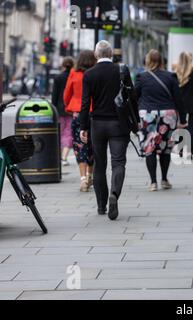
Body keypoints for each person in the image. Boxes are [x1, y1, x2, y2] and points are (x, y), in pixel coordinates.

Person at [79, 40, 137, 220]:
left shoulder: (89, 74)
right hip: (118, 124)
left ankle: (101, 206)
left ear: (96, 55)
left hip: (97, 124)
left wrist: (83, 127)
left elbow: (85, 103)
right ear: (111, 54)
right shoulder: (121, 71)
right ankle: (114, 194)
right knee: (118, 162)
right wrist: (137, 121)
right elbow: (132, 97)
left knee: (99, 165)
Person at [135, 49, 187, 192]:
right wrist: (183, 119)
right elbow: (178, 99)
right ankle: (164, 179)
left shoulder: (141, 77)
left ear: (148, 61)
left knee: (149, 147)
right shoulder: (171, 76)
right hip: (167, 116)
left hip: (147, 115)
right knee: (165, 148)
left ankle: (153, 182)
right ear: (162, 61)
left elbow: (134, 97)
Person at [64, 51, 96, 192]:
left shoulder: (74, 73)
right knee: (93, 146)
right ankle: (90, 175)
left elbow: (67, 94)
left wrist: (69, 107)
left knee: (79, 146)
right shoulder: (95, 73)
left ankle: (83, 179)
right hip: (94, 114)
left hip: (78, 114)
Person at [52, 56, 75, 166]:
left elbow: (54, 96)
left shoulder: (58, 78)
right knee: (69, 132)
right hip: (71, 108)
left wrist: (54, 108)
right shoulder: (73, 77)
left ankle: (59, 156)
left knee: (60, 132)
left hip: (59, 110)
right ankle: (64, 157)